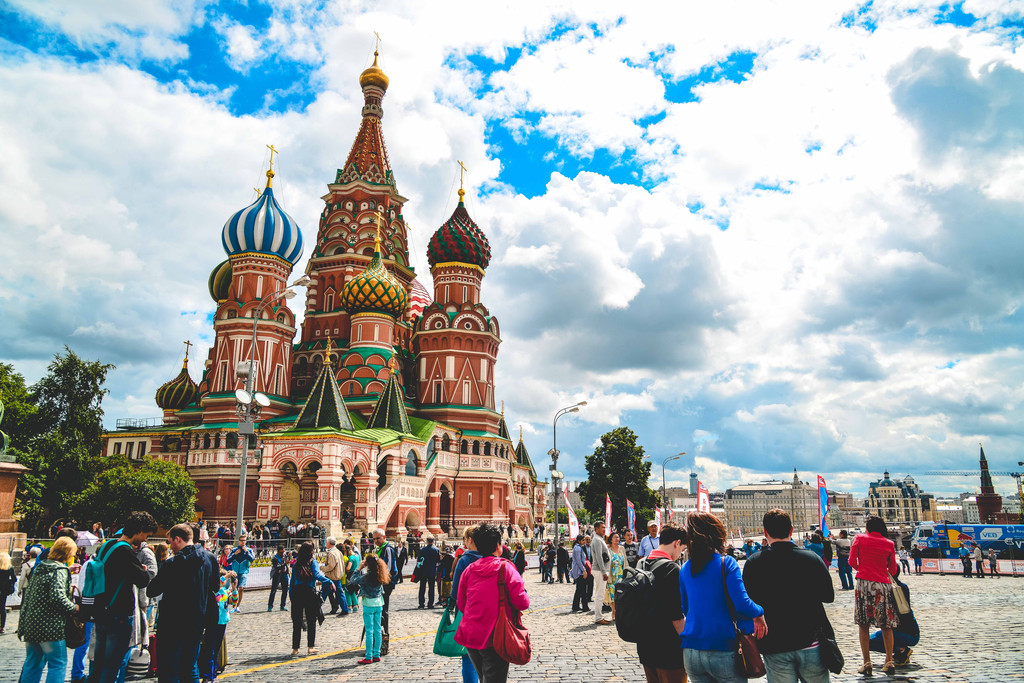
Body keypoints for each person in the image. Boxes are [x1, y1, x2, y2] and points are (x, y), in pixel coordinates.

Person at [743, 509, 834, 683]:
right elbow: (828, 596)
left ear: (765, 532)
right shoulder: (811, 558)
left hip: (775, 644)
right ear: (791, 530)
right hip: (810, 641)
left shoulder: (754, 563)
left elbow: (748, 603)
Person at [679, 512, 767, 683]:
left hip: (691, 651)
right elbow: (742, 604)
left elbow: (686, 608)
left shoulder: (685, 569)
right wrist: (760, 612)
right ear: (717, 535)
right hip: (723, 648)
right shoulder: (726, 563)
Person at [455, 522, 529, 683]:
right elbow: (523, 602)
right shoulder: (506, 568)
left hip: (471, 636)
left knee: (483, 677)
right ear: (498, 545)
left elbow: (461, 603)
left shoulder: (469, 569)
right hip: (496, 636)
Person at [89, 511, 157, 683]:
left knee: (99, 662)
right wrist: (142, 570)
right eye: (145, 535)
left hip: (101, 608)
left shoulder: (107, 546)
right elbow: (142, 581)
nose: (145, 540)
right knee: (112, 665)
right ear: (139, 530)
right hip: (118, 613)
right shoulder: (125, 552)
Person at [146, 523, 216, 683]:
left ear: (177, 539)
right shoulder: (208, 558)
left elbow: (152, 590)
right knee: (190, 667)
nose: (170, 546)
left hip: (173, 622)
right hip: (197, 621)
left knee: (169, 669)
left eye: (170, 542)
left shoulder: (173, 563)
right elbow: (213, 587)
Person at [18, 536, 79, 683]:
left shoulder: (41, 567)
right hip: (50, 627)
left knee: (33, 664)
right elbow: (57, 597)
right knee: (58, 663)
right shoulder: (59, 569)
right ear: (68, 552)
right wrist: (74, 607)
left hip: (31, 624)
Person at [634, 521, 688, 683]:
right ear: (676, 543)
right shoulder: (672, 569)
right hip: (668, 647)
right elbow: (676, 615)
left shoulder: (641, 563)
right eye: (682, 550)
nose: (680, 554)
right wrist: (689, 641)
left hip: (645, 644)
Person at [849, 515, 900, 676]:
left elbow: (851, 561)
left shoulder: (859, 539)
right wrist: (881, 572)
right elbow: (893, 569)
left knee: (863, 624)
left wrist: (862, 569)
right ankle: (889, 661)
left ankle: (867, 662)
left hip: (864, 583)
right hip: (883, 585)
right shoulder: (889, 543)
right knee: (886, 624)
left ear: (868, 527)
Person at [288, 541, 332, 656]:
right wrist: (329, 581)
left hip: (297, 592)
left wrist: (291, 595)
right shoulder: (313, 562)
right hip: (309, 592)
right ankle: (310, 647)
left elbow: (292, 581)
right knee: (311, 620)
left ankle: (295, 648)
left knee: (296, 622)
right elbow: (317, 575)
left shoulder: (297, 563)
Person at [450, 525, 482, 683]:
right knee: (490, 660)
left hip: (468, 616)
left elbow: (455, 593)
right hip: (490, 616)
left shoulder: (464, 561)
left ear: (469, 540)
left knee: (469, 657)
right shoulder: (494, 559)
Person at [869, 567, 919, 667]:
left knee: (869, 641)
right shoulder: (903, 587)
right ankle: (900, 649)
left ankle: (901, 650)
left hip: (904, 633)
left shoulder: (887, 590)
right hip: (913, 633)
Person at [352, 551, 390, 664]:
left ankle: (369, 656)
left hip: (368, 603)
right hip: (379, 603)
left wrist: (359, 568)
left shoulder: (366, 577)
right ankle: (377, 654)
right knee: (377, 629)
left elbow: (353, 580)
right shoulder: (380, 574)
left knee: (369, 630)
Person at [199, 570, 237, 682]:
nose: (227, 582)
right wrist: (227, 575)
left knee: (216, 649)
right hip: (212, 621)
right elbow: (219, 582)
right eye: (226, 579)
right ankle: (207, 675)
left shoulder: (226, 591)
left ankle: (213, 673)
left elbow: (234, 601)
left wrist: (234, 589)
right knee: (209, 648)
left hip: (222, 622)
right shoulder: (213, 590)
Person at [371, 529, 398, 651]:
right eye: (374, 539)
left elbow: (388, 568)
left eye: (378, 538)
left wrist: (383, 581)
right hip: (381, 583)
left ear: (384, 537)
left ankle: (384, 635)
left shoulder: (387, 549)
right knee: (380, 610)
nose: (376, 541)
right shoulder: (379, 548)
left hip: (385, 584)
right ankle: (379, 636)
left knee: (383, 610)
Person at [590, 521, 612, 625]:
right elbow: (599, 557)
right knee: (599, 595)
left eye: (604, 527)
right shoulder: (597, 540)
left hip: (600, 570)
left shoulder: (599, 539)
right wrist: (604, 571)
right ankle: (598, 617)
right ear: (596, 529)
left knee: (600, 594)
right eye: (602, 528)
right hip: (599, 570)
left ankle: (599, 616)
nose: (604, 529)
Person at [227, 534, 255, 611]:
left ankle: (238, 606)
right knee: (234, 589)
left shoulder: (249, 550)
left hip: (244, 571)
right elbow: (228, 560)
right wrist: (234, 554)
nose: (243, 542)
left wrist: (247, 552)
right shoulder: (234, 550)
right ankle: (234, 606)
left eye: (244, 540)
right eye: (241, 540)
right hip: (234, 572)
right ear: (239, 541)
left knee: (241, 588)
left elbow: (252, 559)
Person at [322, 537, 349, 616]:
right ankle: (344, 609)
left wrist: (322, 568)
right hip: (337, 576)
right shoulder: (338, 551)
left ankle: (315, 610)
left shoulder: (332, 553)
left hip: (331, 576)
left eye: (326, 542)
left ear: (329, 543)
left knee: (323, 594)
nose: (326, 544)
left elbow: (331, 566)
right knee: (339, 593)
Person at [606, 531, 625, 622]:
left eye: (618, 537)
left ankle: (620, 612)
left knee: (621, 594)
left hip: (621, 575)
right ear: (611, 539)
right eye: (615, 537)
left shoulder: (622, 548)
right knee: (612, 594)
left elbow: (625, 563)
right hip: (612, 575)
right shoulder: (608, 550)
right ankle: (614, 611)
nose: (617, 539)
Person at [417, 536, 440, 609]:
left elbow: (419, 560)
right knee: (431, 588)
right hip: (432, 571)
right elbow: (438, 560)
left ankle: (421, 604)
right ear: (433, 541)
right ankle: (430, 604)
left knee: (422, 588)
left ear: (427, 541)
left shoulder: (422, 550)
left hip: (423, 570)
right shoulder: (436, 550)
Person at [569, 534, 590, 613]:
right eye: (583, 540)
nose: (584, 542)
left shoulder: (578, 548)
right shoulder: (578, 548)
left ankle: (575, 606)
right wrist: (584, 570)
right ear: (579, 541)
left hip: (579, 571)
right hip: (579, 571)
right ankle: (585, 606)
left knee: (579, 590)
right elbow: (579, 561)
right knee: (583, 590)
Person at [268, 545, 289, 611]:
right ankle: (270, 605)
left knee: (285, 590)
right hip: (277, 574)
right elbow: (277, 566)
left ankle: (283, 605)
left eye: (283, 552)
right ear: (278, 551)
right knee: (274, 590)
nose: (282, 553)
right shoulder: (275, 558)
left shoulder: (285, 556)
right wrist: (285, 563)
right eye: (281, 552)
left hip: (284, 573)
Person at [0, 551, 16, 634]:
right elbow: (14, 579)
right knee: (2, 608)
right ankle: (2, 626)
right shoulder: (10, 568)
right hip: (4, 590)